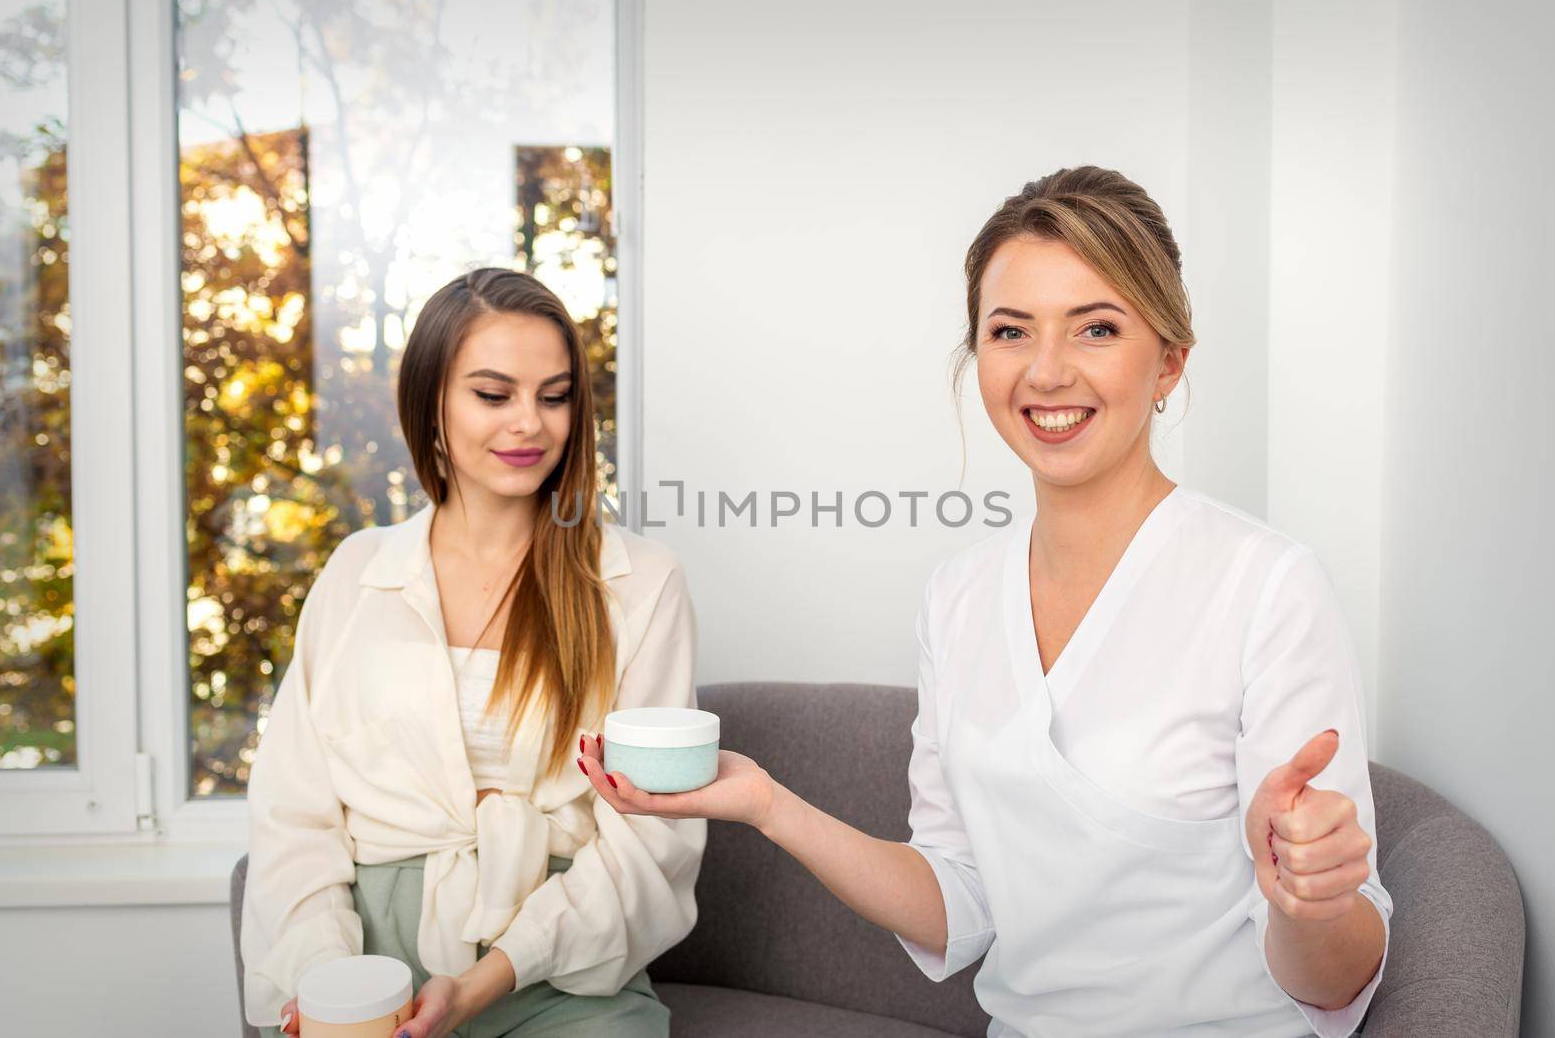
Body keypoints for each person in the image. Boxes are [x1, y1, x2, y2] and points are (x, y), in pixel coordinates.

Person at [579, 167, 1391, 1037]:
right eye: (1011, 330)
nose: (1047, 371)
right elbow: (956, 903)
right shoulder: (958, 597)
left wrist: (1312, 896)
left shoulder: (1266, 586)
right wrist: (766, 803)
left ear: (1170, 361)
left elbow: (1334, 981)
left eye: (1097, 328)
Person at [240, 267, 704, 1038]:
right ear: (431, 409)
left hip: (560, 963)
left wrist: (490, 976)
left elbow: (655, 840)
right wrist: (325, 980)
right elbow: (292, 812)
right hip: (362, 964)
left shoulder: (642, 584)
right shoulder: (356, 574)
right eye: (494, 395)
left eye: (554, 396)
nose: (530, 422)